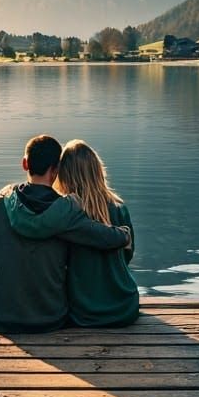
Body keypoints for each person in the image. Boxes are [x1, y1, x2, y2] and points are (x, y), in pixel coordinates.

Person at [0, 134, 131, 332]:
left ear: (25, 164)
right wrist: (124, 235)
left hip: (0, 316)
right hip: (50, 318)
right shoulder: (65, 210)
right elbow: (100, 236)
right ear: (56, 170)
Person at [54, 139, 139, 327]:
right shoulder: (119, 209)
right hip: (125, 306)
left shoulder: (65, 213)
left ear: (64, 174)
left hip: (84, 311)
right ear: (98, 171)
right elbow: (127, 256)